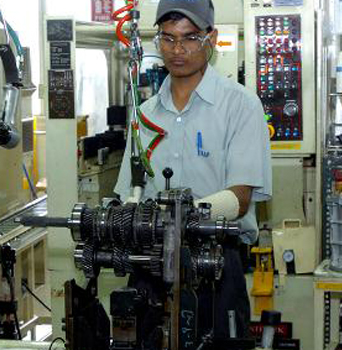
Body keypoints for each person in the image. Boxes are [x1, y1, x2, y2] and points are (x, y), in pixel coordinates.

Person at [114, 0, 272, 345]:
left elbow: (240, 198)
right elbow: (130, 193)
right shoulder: (144, 115)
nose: (177, 50)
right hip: (150, 262)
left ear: (210, 38)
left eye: (189, 38)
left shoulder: (241, 106)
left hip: (214, 264)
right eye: (167, 39)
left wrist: (178, 219)